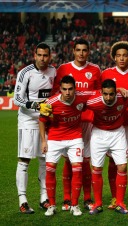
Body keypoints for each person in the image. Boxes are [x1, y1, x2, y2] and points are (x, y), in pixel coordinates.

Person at [52, 38, 101, 211]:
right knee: (67, 160)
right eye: (78, 50)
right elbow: (55, 94)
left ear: (89, 52)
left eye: (84, 50)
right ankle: (67, 198)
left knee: (85, 160)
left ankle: (87, 198)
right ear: (73, 51)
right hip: (68, 122)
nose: (81, 53)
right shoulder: (63, 69)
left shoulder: (95, 70)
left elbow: (98, 95)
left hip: (87, 121)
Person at [101, 41, 128, 209]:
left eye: (125, 55)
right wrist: (118, 89)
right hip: (113, 125)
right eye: (118, 55)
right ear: (114, 57)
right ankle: (115, 198)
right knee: (114, 163)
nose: (121, 58)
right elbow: (100, 94)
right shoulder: (106, 74)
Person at [39, 75, 93, 216]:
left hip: (75, 138)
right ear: (60, 89)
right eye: (64, 89)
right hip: (55, 138)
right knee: (50, 170)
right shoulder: (51, 102)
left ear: (75, 89)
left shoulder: (81, 100)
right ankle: (51, 205)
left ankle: (74, 205)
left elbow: (96, 95)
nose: (67, 92)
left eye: (70, 89)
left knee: (77, 169)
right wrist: (44, 141)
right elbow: (42, 120)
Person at [14, 42, 56, 214]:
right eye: (39, 55)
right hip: (28, 120)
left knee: (45, 159)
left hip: (46, 121)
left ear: (50, 56)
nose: (42, 58)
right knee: (25, 159)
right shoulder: (25, 73)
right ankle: (22, 200)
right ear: (34, 55)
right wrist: (36, 106)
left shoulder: (54, 71)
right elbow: (17, 99)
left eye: (45, 55)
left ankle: (44, 198)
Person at [86, 79, 128, 215]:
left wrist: (121, 90)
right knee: (96, 168)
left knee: (123, 167)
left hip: (118, 133)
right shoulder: (93, 102)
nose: (108, 98)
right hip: (98, 134)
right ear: (101, 92)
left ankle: (120, 203)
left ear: (115, 93)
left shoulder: (123, 97)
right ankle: (98, 204)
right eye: (105, 94)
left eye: (111, 94)